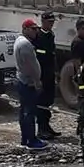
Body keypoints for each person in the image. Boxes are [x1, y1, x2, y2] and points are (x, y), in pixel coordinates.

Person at [13, 19, 47, 151]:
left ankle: (25, 138)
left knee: (25, 111)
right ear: (25, 29)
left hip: (23, 80)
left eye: (36, 29)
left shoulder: (20, 41)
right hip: (28, 82)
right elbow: (30, 66)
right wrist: (36, 80)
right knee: (29, 112)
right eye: (33, 29)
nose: (36, 31)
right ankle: (31, 140)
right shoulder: (25, 45)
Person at [33, 11, 60, 139]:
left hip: (49, 72)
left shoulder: (50, 35)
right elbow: (37, 56)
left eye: (52, 22)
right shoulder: (38, 35)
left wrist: (56, 71)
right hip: (41, 72)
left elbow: (52, 54)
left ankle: (47, 126)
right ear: (43, 22)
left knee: (49, 100)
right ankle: (41, 128)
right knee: (41, 101)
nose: (51, 24)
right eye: (49, 22)